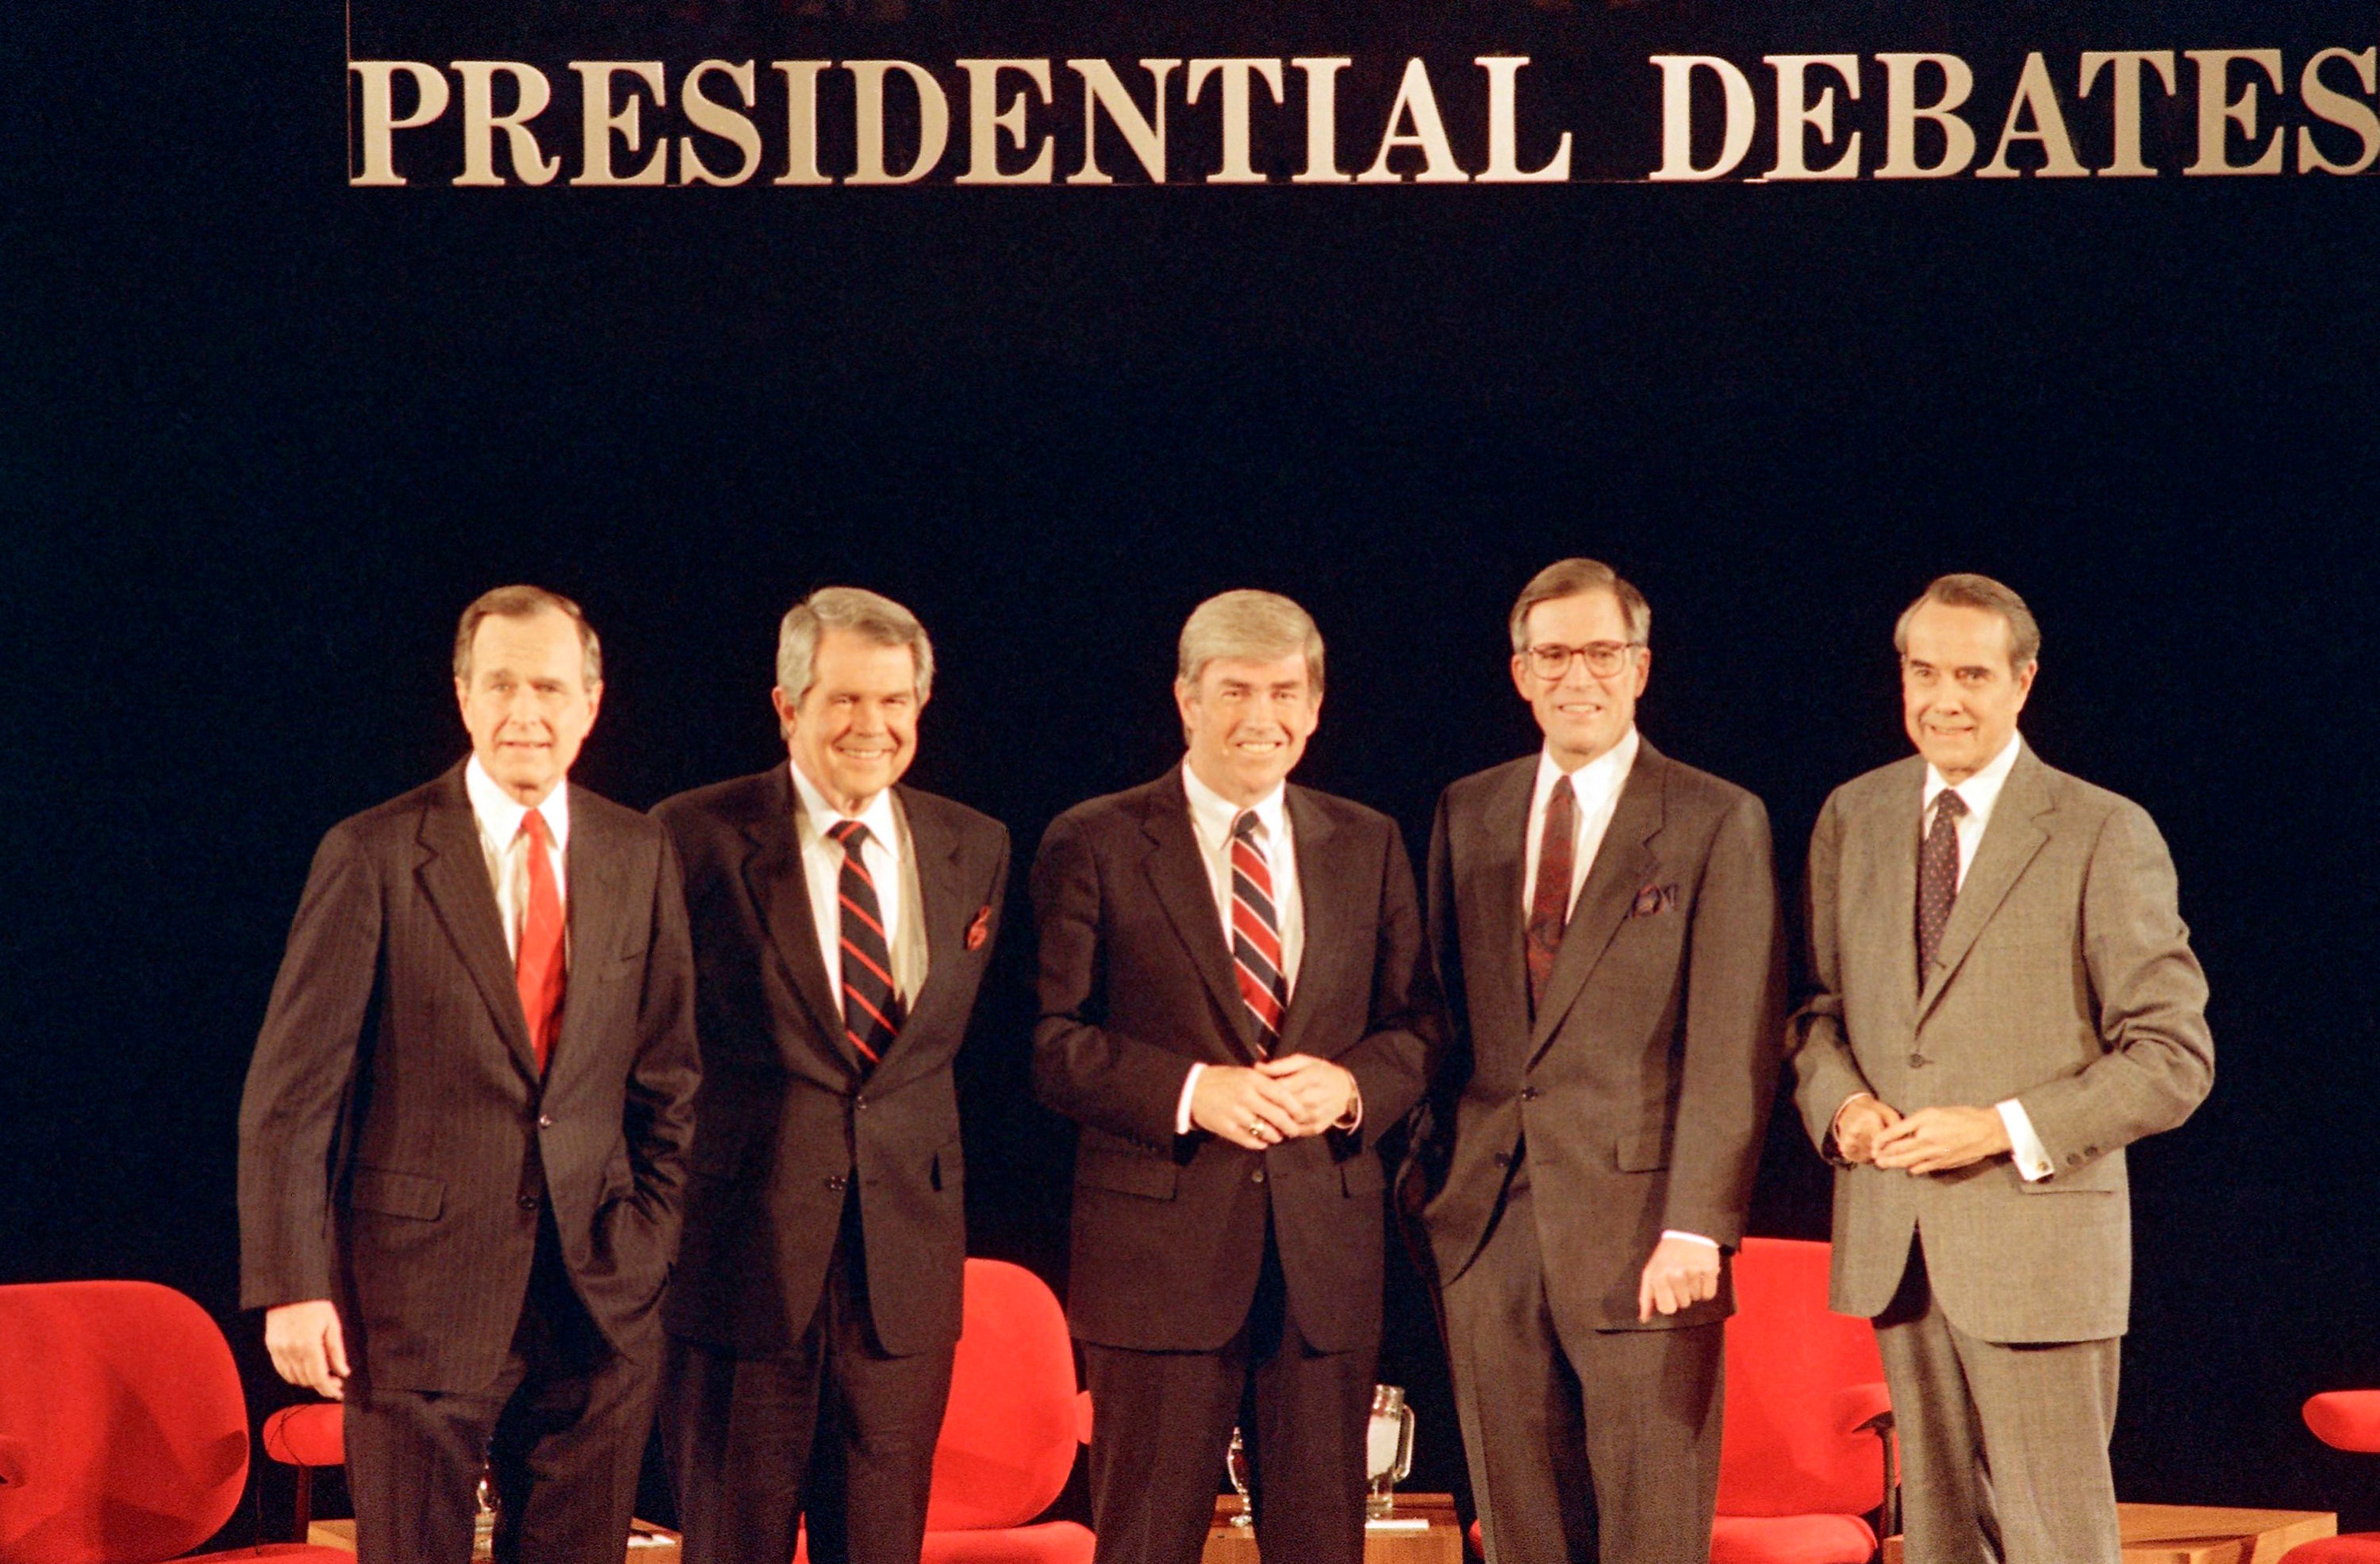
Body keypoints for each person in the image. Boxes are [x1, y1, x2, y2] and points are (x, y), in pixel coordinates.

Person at [238, 586, 700, 1564]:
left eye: (548, 687)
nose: (524, 712)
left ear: (592, 702)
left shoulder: (638, 850)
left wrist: (648, 1244)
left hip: (599, 1292)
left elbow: (671, 1080)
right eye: (500, 685)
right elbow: (293, 1091)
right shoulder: (372, 854)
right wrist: (293, 1282)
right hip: (415, 1295)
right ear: (462, 696)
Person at [1789, 572, 2214, 1564]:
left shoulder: (2103, 830)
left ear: (2023, 683)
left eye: (1972, 674)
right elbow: (1817, 1014)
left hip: (2040, 1255)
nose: (1945, 698)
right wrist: (1841, 1103)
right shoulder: (1854, 816)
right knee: (1937, 1544)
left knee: (2056, 1544)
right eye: (1923, 671)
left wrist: (2001, 1126)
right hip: (1899, 1246)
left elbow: (2174, 1057)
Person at [1031, 589, 1438, 1564]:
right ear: (1186, 699)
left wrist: (1350, 1090)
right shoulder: (1094, 838)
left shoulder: (1369, 841)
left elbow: (1419, 1028)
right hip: (1157, 1264)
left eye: (1285, 692)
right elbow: (1050, 1042)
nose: (1263, 717)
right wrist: (1190, 1092)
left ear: (1316, 706)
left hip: (1321, 1262)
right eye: (1235, 690)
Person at [1411, 558, 1781, 1564]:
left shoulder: (1716, 819)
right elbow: (1438, 1015)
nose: (1581, 676)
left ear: (1642, 666)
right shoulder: (1466, 811)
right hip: (1488, 1234)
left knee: (1649, 1535)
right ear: (1522, 672)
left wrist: (1699, 1225)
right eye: (1556, 655)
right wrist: (1430, 1183)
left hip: (1647, 1240)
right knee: (1525, 1536)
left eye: (1603, 653)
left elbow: (1735, 1043)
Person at [652, 586, 1010, 1564]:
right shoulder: (690, 837)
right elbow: (646, 1054)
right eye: (845, 700)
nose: (873, 726)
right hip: (739, 1260)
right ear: (787, 706)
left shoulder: (973, 845)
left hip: (904, 1274)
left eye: (895, 702)